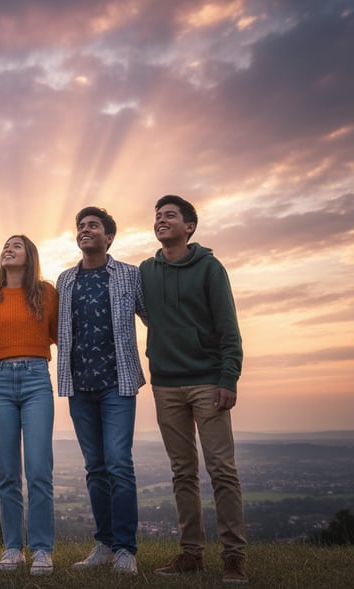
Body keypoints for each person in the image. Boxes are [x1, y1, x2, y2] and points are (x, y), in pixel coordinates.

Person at [140, 195, 248, 584]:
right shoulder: (146, 271)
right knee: (182, 471)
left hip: (207, 381)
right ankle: (191, 554)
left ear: (189, 227)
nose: (161, 220)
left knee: (222, 469)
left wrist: (228, 378)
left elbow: (228, 327)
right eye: (157, 217)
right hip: (165, 384)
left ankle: (234, 556)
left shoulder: (210, 268)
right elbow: (144, 311)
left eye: (170, 216)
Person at [56, 207, 147, 575]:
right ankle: (105, 545)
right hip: (79, 386)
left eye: (93, 225)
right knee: (95, 468)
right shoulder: (64, 280)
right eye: (81, 226)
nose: (85, 230)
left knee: (119, 465)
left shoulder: (130, 275)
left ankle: (126, 549)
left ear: (109, 237)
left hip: (118, 384)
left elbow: (153, 317)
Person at [0, 235, 58, 576]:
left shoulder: (46, 293)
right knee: (7, 474)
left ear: (29, 256)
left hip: (36, 380)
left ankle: (42, 550)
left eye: (16, 246)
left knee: (38, 471)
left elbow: (63, 335)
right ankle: (12, 549)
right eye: (5, 245)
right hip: (0, 383)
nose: (9, 249)